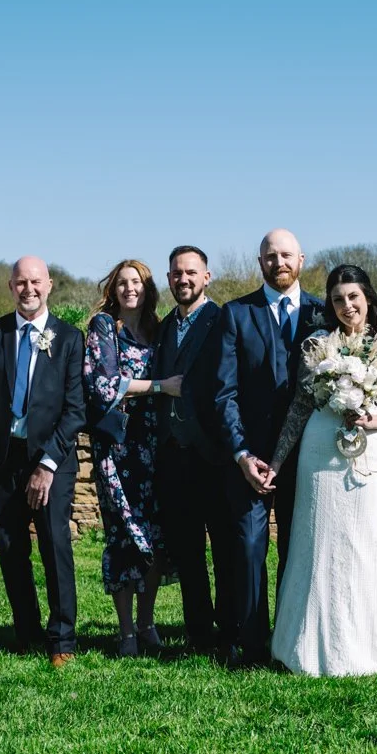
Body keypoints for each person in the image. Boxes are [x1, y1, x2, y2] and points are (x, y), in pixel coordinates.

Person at [267, 264, 377, 676]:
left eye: (353, 296)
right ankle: (304, 645)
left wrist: (373, 422)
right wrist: (278, 460)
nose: (346, 305)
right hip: (319, 450)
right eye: (338, 299)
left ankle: (369, 646)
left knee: (363, 542)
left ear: (368, 298)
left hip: (366, 451)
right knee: (315, 543)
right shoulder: (317, 345)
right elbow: (300, 407)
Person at [212, 229, 327, 666]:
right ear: (260, 262)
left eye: (286, 255)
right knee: (248, 546)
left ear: (301, 259)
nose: (279, 262)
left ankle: (292, 638)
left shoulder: (324, 312)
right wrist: (242, 454)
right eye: (270, 256)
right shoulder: (236, 313)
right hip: (252, 457)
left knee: (299, 549)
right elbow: (224, 393)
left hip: (310, 452)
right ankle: (253, 642)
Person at [0, 256, 86, 668]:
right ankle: (27, 631)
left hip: (51, 459)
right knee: (10, 547)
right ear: (10, 286)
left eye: (36, 282)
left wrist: (47, 465)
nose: (28, 289)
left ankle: (62, 638)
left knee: (55, 546)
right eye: (21, 282)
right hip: (3, 460)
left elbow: (76, 410)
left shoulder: (69, 338)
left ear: (49, 285)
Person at [84, 259, 172, 657]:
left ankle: (146, 624)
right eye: (122, 282)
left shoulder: (158, 328)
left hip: (154, 447)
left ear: (147, 288)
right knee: (122, 537)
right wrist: (160, 386)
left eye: (136, 282)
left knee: (154, 536)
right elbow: (103, 385)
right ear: (112, 289)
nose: (129, 288)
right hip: (117, 448)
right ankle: (125, 633)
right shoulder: (105, 327)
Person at [152, 245, 232, 654]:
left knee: (225, 548)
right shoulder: (164, 326)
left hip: (213, 455)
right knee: (187, 551)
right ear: (169, 279)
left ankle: (231, 632)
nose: (183, 279)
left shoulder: (223, 320)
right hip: (172, 455)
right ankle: (199, 634)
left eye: (190, 272)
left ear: (206, 277)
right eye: (176, 273)